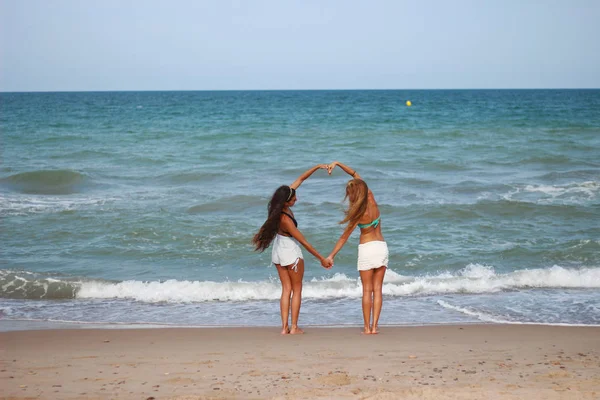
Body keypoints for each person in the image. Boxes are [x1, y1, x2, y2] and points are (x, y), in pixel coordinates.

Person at [253, 164, 333, 335]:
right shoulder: (286, 219)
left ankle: (284, 328)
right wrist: (322, 258)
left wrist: (317, 167)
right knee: (296, 290)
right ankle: (294, 327)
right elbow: (304, 242)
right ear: (287, 201)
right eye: (294, 199)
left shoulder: (277, 208)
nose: (296, 199)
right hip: (291, 253)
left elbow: (301, 179)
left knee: (286, 289)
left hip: (278, 251)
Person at [325, 161, 388, 334]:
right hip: (381, 247)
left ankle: (367, 328)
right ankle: (375, 327)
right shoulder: (372, 199)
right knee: (378, 290)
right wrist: (338, 164)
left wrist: (331, 255)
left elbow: (344, 237)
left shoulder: (357, 214)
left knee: (367, 290)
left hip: (367, 249)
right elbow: (355, 174)